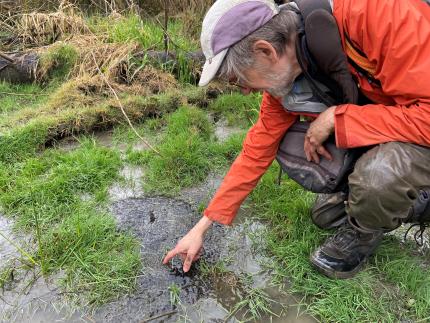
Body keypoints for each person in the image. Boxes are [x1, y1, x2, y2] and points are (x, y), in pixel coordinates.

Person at [163, 0, 430, 279]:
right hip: (402, 125)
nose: (243, 91)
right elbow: (256, 150)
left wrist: (339, 118)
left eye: (236, 79)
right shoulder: (286, 79)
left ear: (264, 51)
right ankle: (366, 200)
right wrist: (201, 227)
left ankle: (373, 228)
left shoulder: (377, 14)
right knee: (295, 153)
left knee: (377, 177)